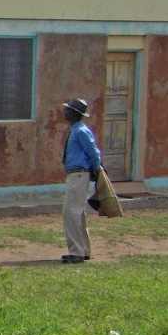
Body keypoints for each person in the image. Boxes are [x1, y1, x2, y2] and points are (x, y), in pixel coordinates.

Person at [61, 98, 102, 264]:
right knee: (77, 212)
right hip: (76, 174)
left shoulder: (80, 131)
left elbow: (93, 152)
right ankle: (83, 249)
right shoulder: (76, 129)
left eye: (68, 110)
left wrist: (97, 169)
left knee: (70, 212)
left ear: (74, 113)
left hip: (79, 174)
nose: (65, 112)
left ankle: (76, 252)